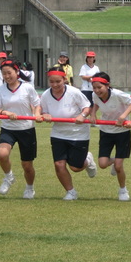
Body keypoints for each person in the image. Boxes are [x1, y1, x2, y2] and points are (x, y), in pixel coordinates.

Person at [38, 68, 98, 201]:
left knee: (75, 167)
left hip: (78, 133)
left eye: (58, 81)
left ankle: (88, 160)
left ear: (64, 79)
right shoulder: (46, 95)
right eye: (51, 82)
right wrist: (44, 114)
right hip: (58, 133)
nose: (55, 85)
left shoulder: (74, 92)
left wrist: (82, 115)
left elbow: (87, 107)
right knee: (59, 164)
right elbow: (43, 110)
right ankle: (71, 192)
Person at [0, 59, 42, 199]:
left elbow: (37, 104)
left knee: (27, 165)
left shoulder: (27, 88)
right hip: (8, 128)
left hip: (26, 129)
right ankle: (9, 177)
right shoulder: (1, 90)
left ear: (17, 72)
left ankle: (30, 188)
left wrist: (37, 114)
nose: (7, 76)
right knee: (2, 154)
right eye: (4, 74)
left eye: (9, 73)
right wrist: (5, 113)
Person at [90, 71, 131, 201]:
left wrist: (124, 116)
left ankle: (123, 190)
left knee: (118, 166)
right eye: (94, 87)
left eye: (99, 87)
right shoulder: (95, 95)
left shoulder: (117, 94)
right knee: (102, 164)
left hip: (122, 132)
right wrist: (93, 114)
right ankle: (114, 160)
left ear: (107, 85)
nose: (97, 90)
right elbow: (95, 103)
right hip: (106, 131)